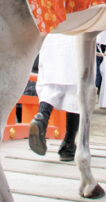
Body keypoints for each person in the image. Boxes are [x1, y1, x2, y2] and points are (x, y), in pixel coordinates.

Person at [27, 33, 89, 162]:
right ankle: (68, 144)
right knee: (75, 91)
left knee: (50, 86)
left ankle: (41, 117)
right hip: (76, 37)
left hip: (52, 35)